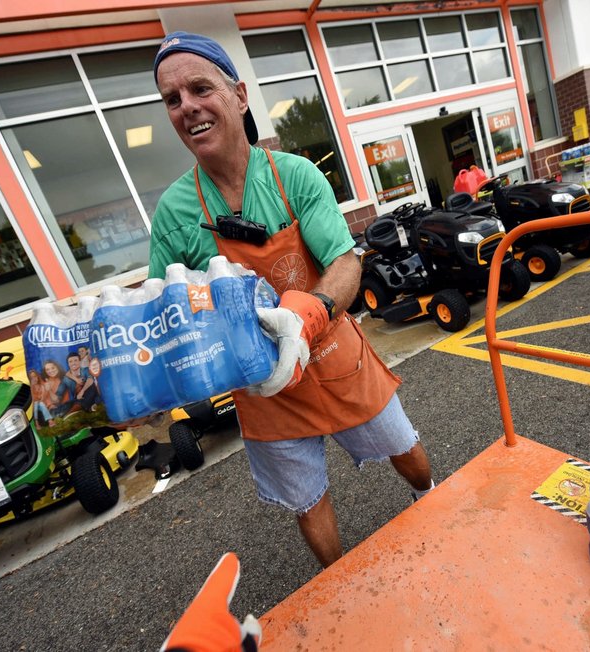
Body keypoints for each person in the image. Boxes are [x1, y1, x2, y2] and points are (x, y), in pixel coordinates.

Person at [149, 31, 435, 568]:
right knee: (307, 499)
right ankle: (341, 580)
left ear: (238, 95)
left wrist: (305, 318)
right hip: (264, 388)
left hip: (332, 356)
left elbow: (345, 263)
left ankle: (430, 498)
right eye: (172, 99)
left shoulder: (294, 176)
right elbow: (168, 311)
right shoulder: (174, 213)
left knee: (405, 449)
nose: (187, 107)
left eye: (199, 89)